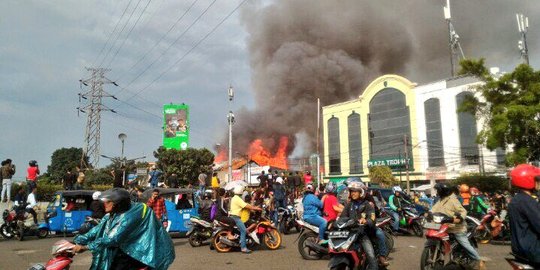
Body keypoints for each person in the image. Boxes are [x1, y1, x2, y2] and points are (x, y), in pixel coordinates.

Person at [73, 188, 175, 269]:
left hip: (140, 251)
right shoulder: (112, 214)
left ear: (118, 204)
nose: (104, 204)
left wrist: (86, 247)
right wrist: (76, 241)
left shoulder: (129, 216)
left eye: (108, 202)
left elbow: (112, 238)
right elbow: (97, 229)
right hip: (127, 247)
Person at [432, 183, 485, 270]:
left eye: (438, 190)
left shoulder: (453, 200)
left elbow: (463, 211)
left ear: (443, 191)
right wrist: (428, 213)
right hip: (444, 227)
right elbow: (433, 209)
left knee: (464, 243)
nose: (437, 192)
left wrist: (459, 218)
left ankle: (479, 260)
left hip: (457, 227)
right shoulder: (441, 200)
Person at [339, 181, 379, 270]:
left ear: (361, 192)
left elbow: (372, 219)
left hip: (362, 234)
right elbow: (342, 217)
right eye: (351, 191)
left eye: (355, 191)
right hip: (349, 235)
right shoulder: (349, 205)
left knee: (370, 254)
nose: (352, 193)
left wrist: (366, 220)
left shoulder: (368, 205)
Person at [508, 164, 540, 267]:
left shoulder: (516, 200)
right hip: (532, 249)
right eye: (537, 180)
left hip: (519, 247)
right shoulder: (527, 202)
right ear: (529, 180)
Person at [229, 185, 262, 253]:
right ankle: (243, 248)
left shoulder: (234, 198)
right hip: (236, 218)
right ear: (240, 192)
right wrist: (257, 208)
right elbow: (247, 206)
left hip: (233, 216)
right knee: (243, 231)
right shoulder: (238, 199)